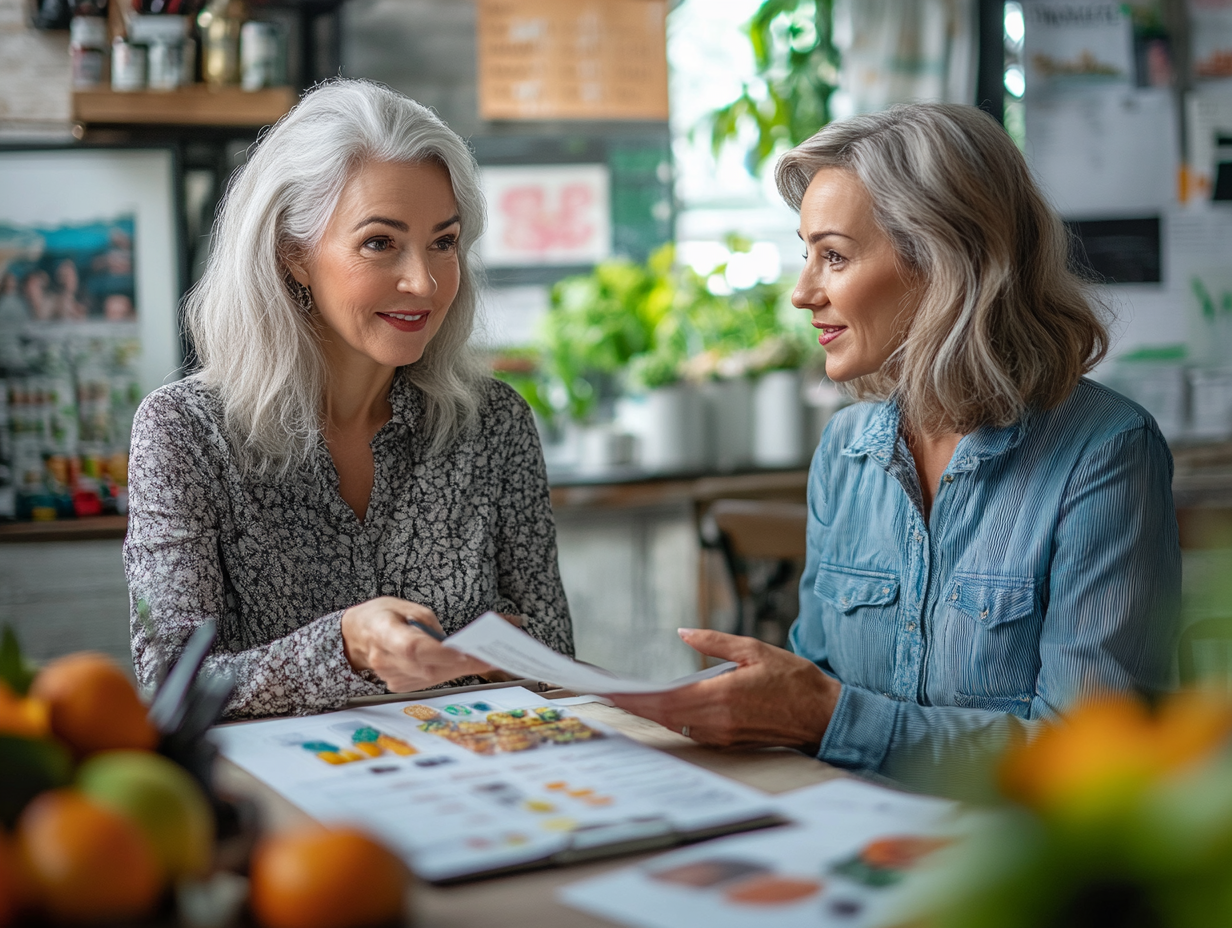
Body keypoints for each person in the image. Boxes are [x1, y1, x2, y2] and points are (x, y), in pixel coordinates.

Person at [611, 103, 1179, 787]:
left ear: (943, 263)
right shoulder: (846, 448)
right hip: (854, 841)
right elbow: (813, 686)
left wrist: (828, 718)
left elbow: (1094, 763)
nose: (802, 292)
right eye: (807, 255)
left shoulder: (1104, 452)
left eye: (835, 257)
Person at [125, 80, 574, 719]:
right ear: (293, 254)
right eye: (379, 242)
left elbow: (554, 653)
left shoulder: (494, 423)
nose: (423, 281)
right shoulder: (185, 432)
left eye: (443, 242)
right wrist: (344, 645)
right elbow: (169, 686)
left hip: (477, 793)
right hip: (280, 811)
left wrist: (512, 653)